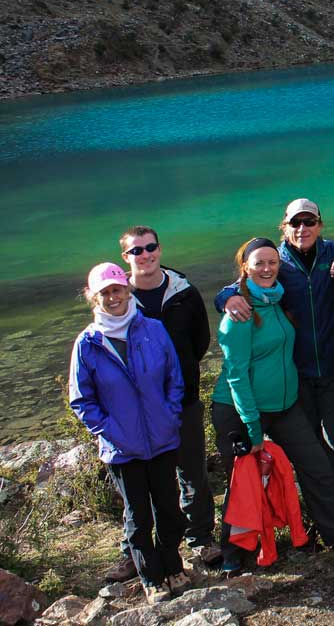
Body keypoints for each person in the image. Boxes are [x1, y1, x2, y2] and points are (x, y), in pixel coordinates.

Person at [212, 238, 334, 573]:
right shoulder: (239, 313)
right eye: (259, 263)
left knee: (316, 465)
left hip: (284, 407)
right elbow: (237, 376)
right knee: (242, 480)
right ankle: (233, 551)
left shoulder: (276, 299)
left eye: (273, 262)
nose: (268, 268)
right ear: (245, 267)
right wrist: (253, 425)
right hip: (241, 410)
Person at [217, 199, 334, 515]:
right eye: (295, 223)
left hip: (333, 364)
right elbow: (239, 284)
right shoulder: (277, 262)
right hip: (297, 371)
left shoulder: (332, 252)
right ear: (284, 227)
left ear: (319, 225)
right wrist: (225, 297)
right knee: (309, 441)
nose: (303, 229)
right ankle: (318, 505)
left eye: (309, 222)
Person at [69, 263, 188, 604]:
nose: (112, 297)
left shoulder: (152, 329)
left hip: (163, 439)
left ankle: (172, 565)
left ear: (127, 290)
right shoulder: (88, 343)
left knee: (169, 509)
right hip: (122, 448)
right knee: (138, 517)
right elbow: (82, 400)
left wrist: (169, 414)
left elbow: (173, 378)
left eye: (117, 289)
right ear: (93, 298)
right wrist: (109, 432)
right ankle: (151, 577)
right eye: (104, 292)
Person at [105, 226, 218, 583]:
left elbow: (201, 340)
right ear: (126, 257)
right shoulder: (118, 297)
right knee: (139, 485)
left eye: (151, 247)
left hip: (183, 400)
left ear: (160, 248)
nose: (146, 255)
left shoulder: (183, 293)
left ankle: (200, 538)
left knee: (192, 473)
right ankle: (132, 552)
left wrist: (180, 373)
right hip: (138, 411)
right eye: (136, 251)